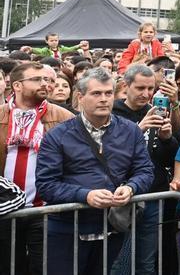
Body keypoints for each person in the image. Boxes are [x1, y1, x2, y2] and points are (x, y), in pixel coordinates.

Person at [36, 68, 155, 274]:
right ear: (80, 97)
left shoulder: (130, 130)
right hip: (68, 229)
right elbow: (46, 185)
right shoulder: (57, 136)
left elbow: (145, 171)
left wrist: (131, 188)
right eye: (96, 93)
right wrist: (85, 195)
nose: (104, 99)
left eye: (108, 93)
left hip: (112, 227)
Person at [0, 62, 74, 275]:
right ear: (17, 86)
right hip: (4, 210)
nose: (46, 84)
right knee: (7, 266)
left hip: (45, 208)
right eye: (37, 79)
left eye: (48, 80)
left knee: (43, 267)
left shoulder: (64, 118)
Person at [111, 64, 178, 275]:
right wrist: (139, 129)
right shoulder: (112, 112)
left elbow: (166, 158)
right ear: (126, 85)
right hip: (122, 196)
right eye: (140, 88)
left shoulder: (155, 110)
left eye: (150, 88)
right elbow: (111, 153)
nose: (146, 94)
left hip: (153, 194)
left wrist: (167, 139)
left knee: (146, 263)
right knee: (119, 262)